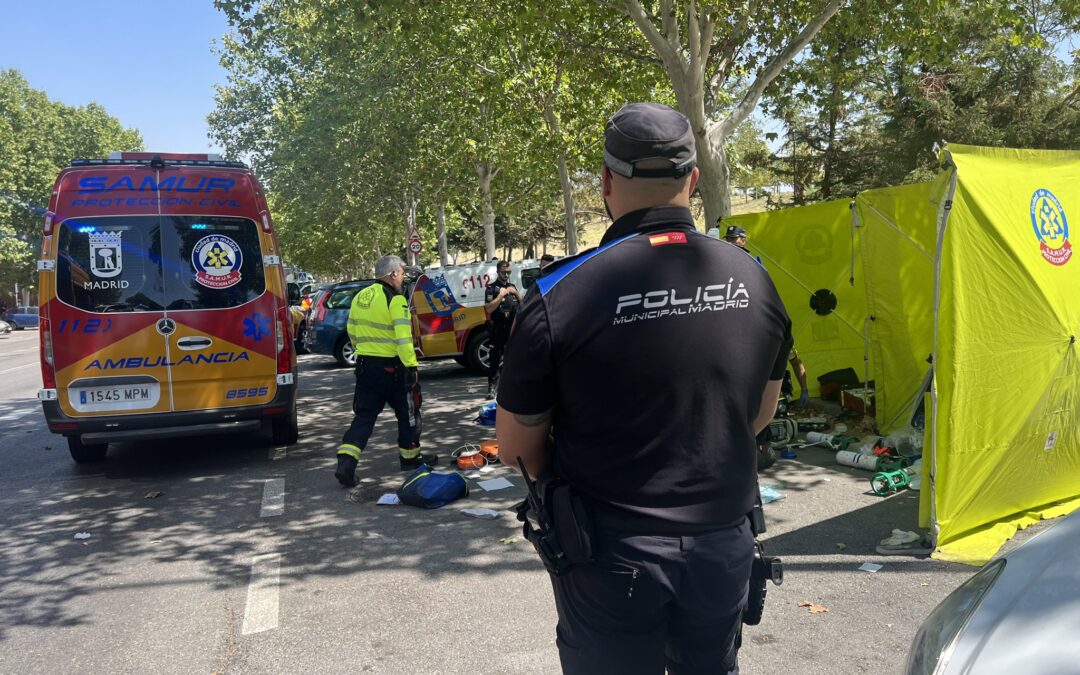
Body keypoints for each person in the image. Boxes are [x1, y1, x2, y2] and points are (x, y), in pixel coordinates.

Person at [496, 102, 793, 674]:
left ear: (606, 180)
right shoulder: (754, 278)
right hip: (722, 546)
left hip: (610, 552)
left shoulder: (561, 292)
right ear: (694, 179)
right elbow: (760, 413)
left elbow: (516, 449)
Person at [334, 254, 438, 487]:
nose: (403, 277)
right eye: (401, 273)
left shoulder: (361, 296)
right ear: (392, 275)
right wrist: (411, 366)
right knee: (408, 414)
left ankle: (346, 462)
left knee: (364, 416)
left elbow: (352, 330)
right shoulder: (395, 299)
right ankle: (410, 458)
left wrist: (365, 351)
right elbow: (403, 337)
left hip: (366, 367)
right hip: (393, 369)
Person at [483, 260, 522, 397]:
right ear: (498, 272)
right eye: (503, 272)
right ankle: (492, 388)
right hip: (498, 328)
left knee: (514, 358)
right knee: (495, 359)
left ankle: (514, 387)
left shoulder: (512, 286)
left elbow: (523, 304)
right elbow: (488, 308)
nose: (506, 275)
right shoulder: (492, 288)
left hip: (513, 327)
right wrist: (500, 295)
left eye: (508, 272)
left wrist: (516, 294)